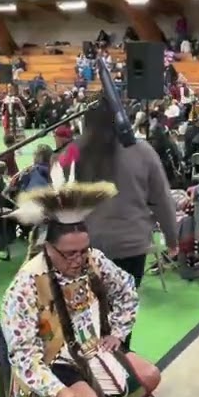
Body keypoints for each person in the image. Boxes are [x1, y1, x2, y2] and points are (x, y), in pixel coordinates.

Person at [2, 183, 162, 397]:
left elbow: (126, 290)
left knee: (151, 375)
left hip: (95, 345)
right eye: (69, 254)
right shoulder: (26, 285)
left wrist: (118, 332)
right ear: (48, 247)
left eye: (83, 250)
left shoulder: (94, 260)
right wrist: (57, 390)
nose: (78, 260)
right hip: (56, 358)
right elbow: (23, 353)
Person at [75, 101, 179, 291]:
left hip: (90, 242)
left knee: (92, 308)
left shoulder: (78, 152)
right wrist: (172, 238)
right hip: (131, 244)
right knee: (124, 308)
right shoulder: (143, 151)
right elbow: (162, 199)